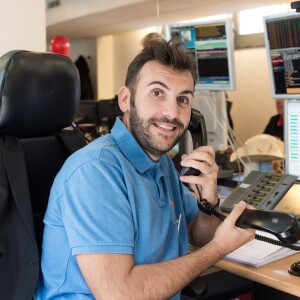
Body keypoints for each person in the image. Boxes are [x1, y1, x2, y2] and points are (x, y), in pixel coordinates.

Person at [36, 40, 254, 300]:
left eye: (183, 99)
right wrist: (217, 250)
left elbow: (197, 232)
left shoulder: (159, 162)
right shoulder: (95, 172)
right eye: (157, 93)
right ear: (126, 99)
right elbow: (120, 294)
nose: (172, 113)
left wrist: (208, 202)